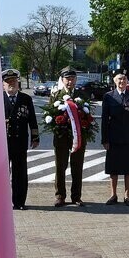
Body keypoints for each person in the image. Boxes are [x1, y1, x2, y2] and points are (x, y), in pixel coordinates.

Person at [101, 69, 129, 205]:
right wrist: (105, 139)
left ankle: (127, 195)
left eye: (124, 79)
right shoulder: (108, 96)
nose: (122, 81)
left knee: (128, 167)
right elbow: (104, 119)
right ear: (115, 81)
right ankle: (113, 195)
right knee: (113, 168)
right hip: (114, 137)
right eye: (119, 79)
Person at [49, 66, 88, 207]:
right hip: (61, 136)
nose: (70, 81)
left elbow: (88, 114)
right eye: (67, 79)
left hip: (79, 137)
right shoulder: (56, 95)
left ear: (76, 80)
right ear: (62, 80)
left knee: (77, 166)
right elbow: (50, 114)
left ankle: (76, 196)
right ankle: (60, 196)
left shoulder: (82, 94)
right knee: (60, 166)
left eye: (72, 78)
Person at [2, 68, 38, 210]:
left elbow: (32, 119)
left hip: (20, 141)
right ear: (3, 84)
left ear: (18, 83)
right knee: (2, 174)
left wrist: (35, 137)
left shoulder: (26, 99)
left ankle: (19, 202)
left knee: (20, 173)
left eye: (14, 81)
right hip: (2, 143)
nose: (11, 84)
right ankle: (3, 202)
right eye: (8, 82)